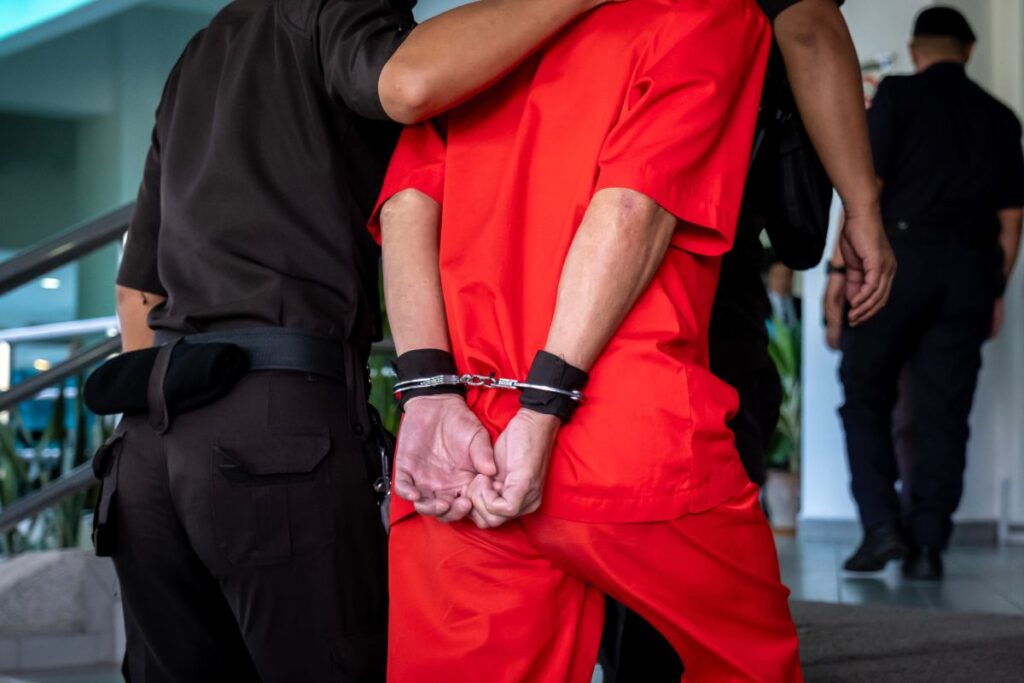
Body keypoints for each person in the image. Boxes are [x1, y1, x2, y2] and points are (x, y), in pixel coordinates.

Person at [104, 0, 617, 680]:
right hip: (274, 430)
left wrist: (175, 440)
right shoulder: (329, 6)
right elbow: (407, 83)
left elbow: (137, 294)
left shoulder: (198, 55)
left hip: (146, 449)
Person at [373, 1, 806, 680]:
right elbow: (636, 205)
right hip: (626, 434)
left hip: (465, 437)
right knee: (746, 662)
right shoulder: (711, 14)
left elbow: (406, 207)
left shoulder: (476, 39)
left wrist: (429, 393)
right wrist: (544, 406)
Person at [601, 0, 897, 678]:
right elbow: (811, 27)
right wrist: (864, 207)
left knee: (616, 436)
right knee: (708, 435)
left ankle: (636, 656)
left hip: (579, 219)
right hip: (690, 230)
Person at [827, 6, 1024, 580]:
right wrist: (994, 289)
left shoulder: (896, 96)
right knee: (945, 413)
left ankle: (881, 527)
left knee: (864, 393)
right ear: (969, 49)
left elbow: (869, 189)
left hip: (896, 262)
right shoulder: (1000, 118)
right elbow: (1011, 222)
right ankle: (929, 547)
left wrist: (842, 276)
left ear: (916, 50)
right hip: (969, 270)